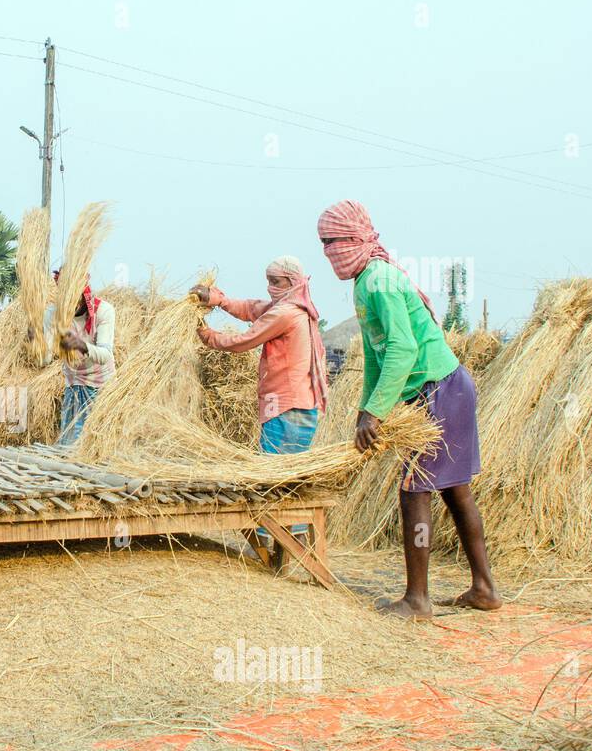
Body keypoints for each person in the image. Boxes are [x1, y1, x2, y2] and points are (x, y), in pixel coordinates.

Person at [318, 199, 501, 618]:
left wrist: (375, 413)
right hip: (441, 390)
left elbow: (403, 348)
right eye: (324, 244)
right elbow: (377, 353)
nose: (329, 252)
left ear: (355, 239)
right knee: (455, 491)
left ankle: (418, 599)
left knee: (415, 491)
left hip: (441, 390)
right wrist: (366, 409)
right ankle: (484, 588)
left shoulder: (378, 280)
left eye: (333, 241)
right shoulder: (367, 282)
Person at [193, 256, 329, 561]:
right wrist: (217, 299)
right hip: (291, 406)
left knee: (278, 480)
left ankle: (284, 554)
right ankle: (284, 553)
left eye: (276, 282)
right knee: (284, 480)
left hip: (290, 407)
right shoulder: (286, 308)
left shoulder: (287, 313)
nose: (270, 288)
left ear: (293, 283)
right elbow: (251, 309)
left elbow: (245, 340)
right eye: (267, 280)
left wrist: (206, 336)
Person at [40, 272, 116, 445]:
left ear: (82, 292)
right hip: (73, 386)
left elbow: (105, 355)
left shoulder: (103, 311)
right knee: (70, 444)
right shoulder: (52, 314)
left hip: (101, 388)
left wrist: (80, 345)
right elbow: (45, 359)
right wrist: (38, 346)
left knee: (97, 444)